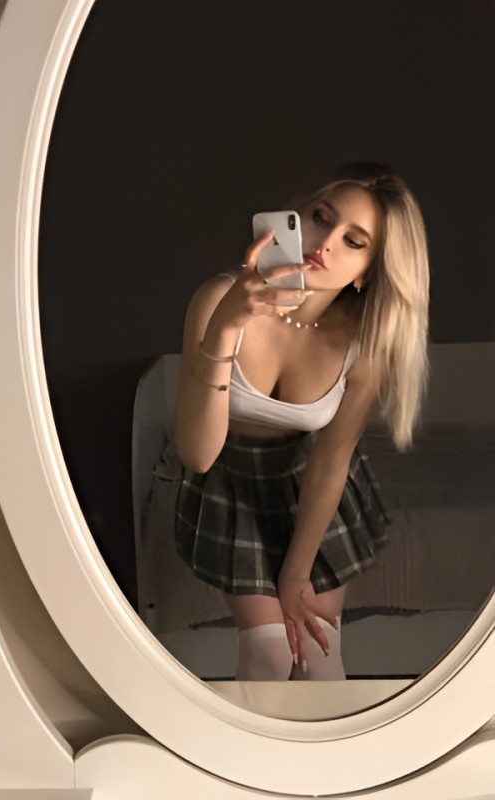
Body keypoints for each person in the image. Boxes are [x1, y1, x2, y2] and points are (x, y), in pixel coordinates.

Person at [173, 163, 430, 681]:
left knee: (317, 654)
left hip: (312, 485)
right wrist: (224, 326)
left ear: (366, 271)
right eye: (321, 218)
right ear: (296, 215)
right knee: (270, 654)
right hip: (231, 481)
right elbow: (198, 456)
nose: (326, 243)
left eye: (353, 241)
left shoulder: (363, 343)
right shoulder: (218, 299)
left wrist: (296, 574)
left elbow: (332, 458)